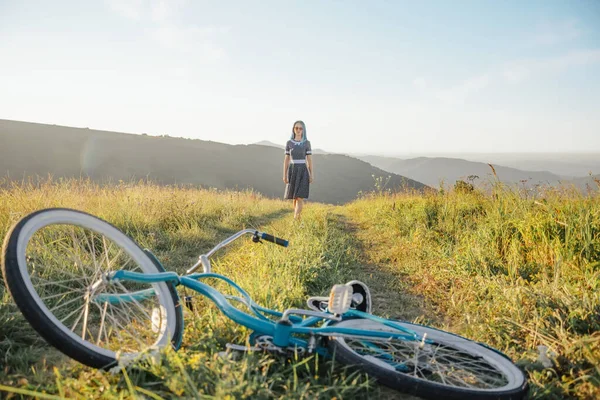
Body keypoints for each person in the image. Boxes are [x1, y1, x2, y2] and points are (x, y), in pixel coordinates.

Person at [283, 120, 313, 219]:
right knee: (295, 197)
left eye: (300, 128)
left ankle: (296, 218)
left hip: (303, 171)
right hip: (292, 170)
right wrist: (284, 174)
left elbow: (309, 160)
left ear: (303, 130)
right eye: (296, 128)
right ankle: (297, 218)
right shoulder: (289, 143)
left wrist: (311, 174)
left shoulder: (307, 143)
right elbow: (286, 160)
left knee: (300, 197)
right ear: (293, 129)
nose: (298, 130)